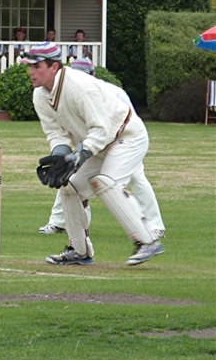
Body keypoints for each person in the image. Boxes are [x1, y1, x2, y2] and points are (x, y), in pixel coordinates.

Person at [22, 42, 165, 266]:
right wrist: (60, 156)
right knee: (70, 188)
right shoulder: (40, 96)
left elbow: (102, 128)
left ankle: (147, 242)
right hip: (98, 144)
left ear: (53, 67)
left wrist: (79, 154)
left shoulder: (78, 87)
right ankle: (79, 251)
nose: (31, 71)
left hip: (126, 135)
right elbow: (55, 132)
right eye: (29, 66)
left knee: (105, 183)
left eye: (36, 65)